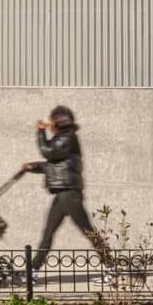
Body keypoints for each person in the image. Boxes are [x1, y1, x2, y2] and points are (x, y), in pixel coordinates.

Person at [18, 105, 111, 269]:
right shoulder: (63, 139)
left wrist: (40, 131)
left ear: (59, 122)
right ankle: (32, 271)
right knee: (48, 232)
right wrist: (31, 167)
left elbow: (48, 152)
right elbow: (53, 165)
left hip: (69, 194)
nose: (49, 124)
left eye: (52, 121)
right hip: (63, 194)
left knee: (88, 231)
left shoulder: (67, 138)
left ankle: (112, 267)